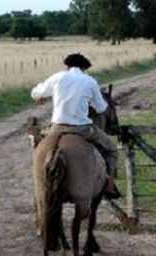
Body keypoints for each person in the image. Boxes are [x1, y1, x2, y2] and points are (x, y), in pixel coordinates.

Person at [30, 53, 121, 199]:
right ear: (84, 67)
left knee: (39, 144)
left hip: (56, 127)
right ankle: (109, 184)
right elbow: (102, 108)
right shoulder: (89, 81)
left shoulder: (57, 77)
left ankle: (40, 178)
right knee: (111, 150)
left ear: (67, 66)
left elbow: (35, 93)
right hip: (82, 129)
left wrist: (40, 96)